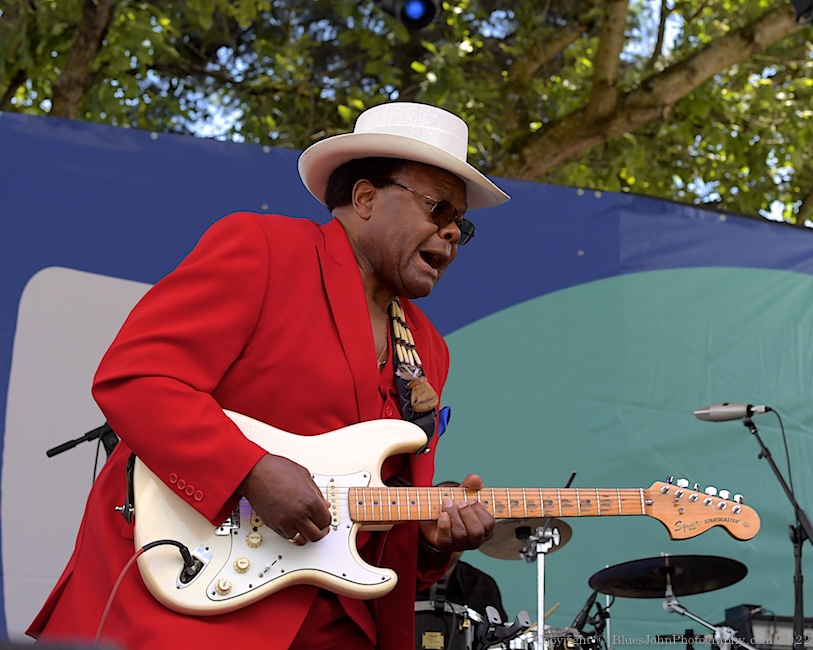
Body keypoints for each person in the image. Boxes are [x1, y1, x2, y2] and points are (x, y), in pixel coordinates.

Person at [26, 101, 510, 649]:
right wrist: (249, 470)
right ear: (366, 198)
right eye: (438, 208)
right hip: (181, 607)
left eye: (460, 223)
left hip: (336, 629)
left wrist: (433, 541)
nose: (450, 232)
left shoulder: (428, 349)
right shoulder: (265, 249)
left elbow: (377, 523)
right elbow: (136, 378)